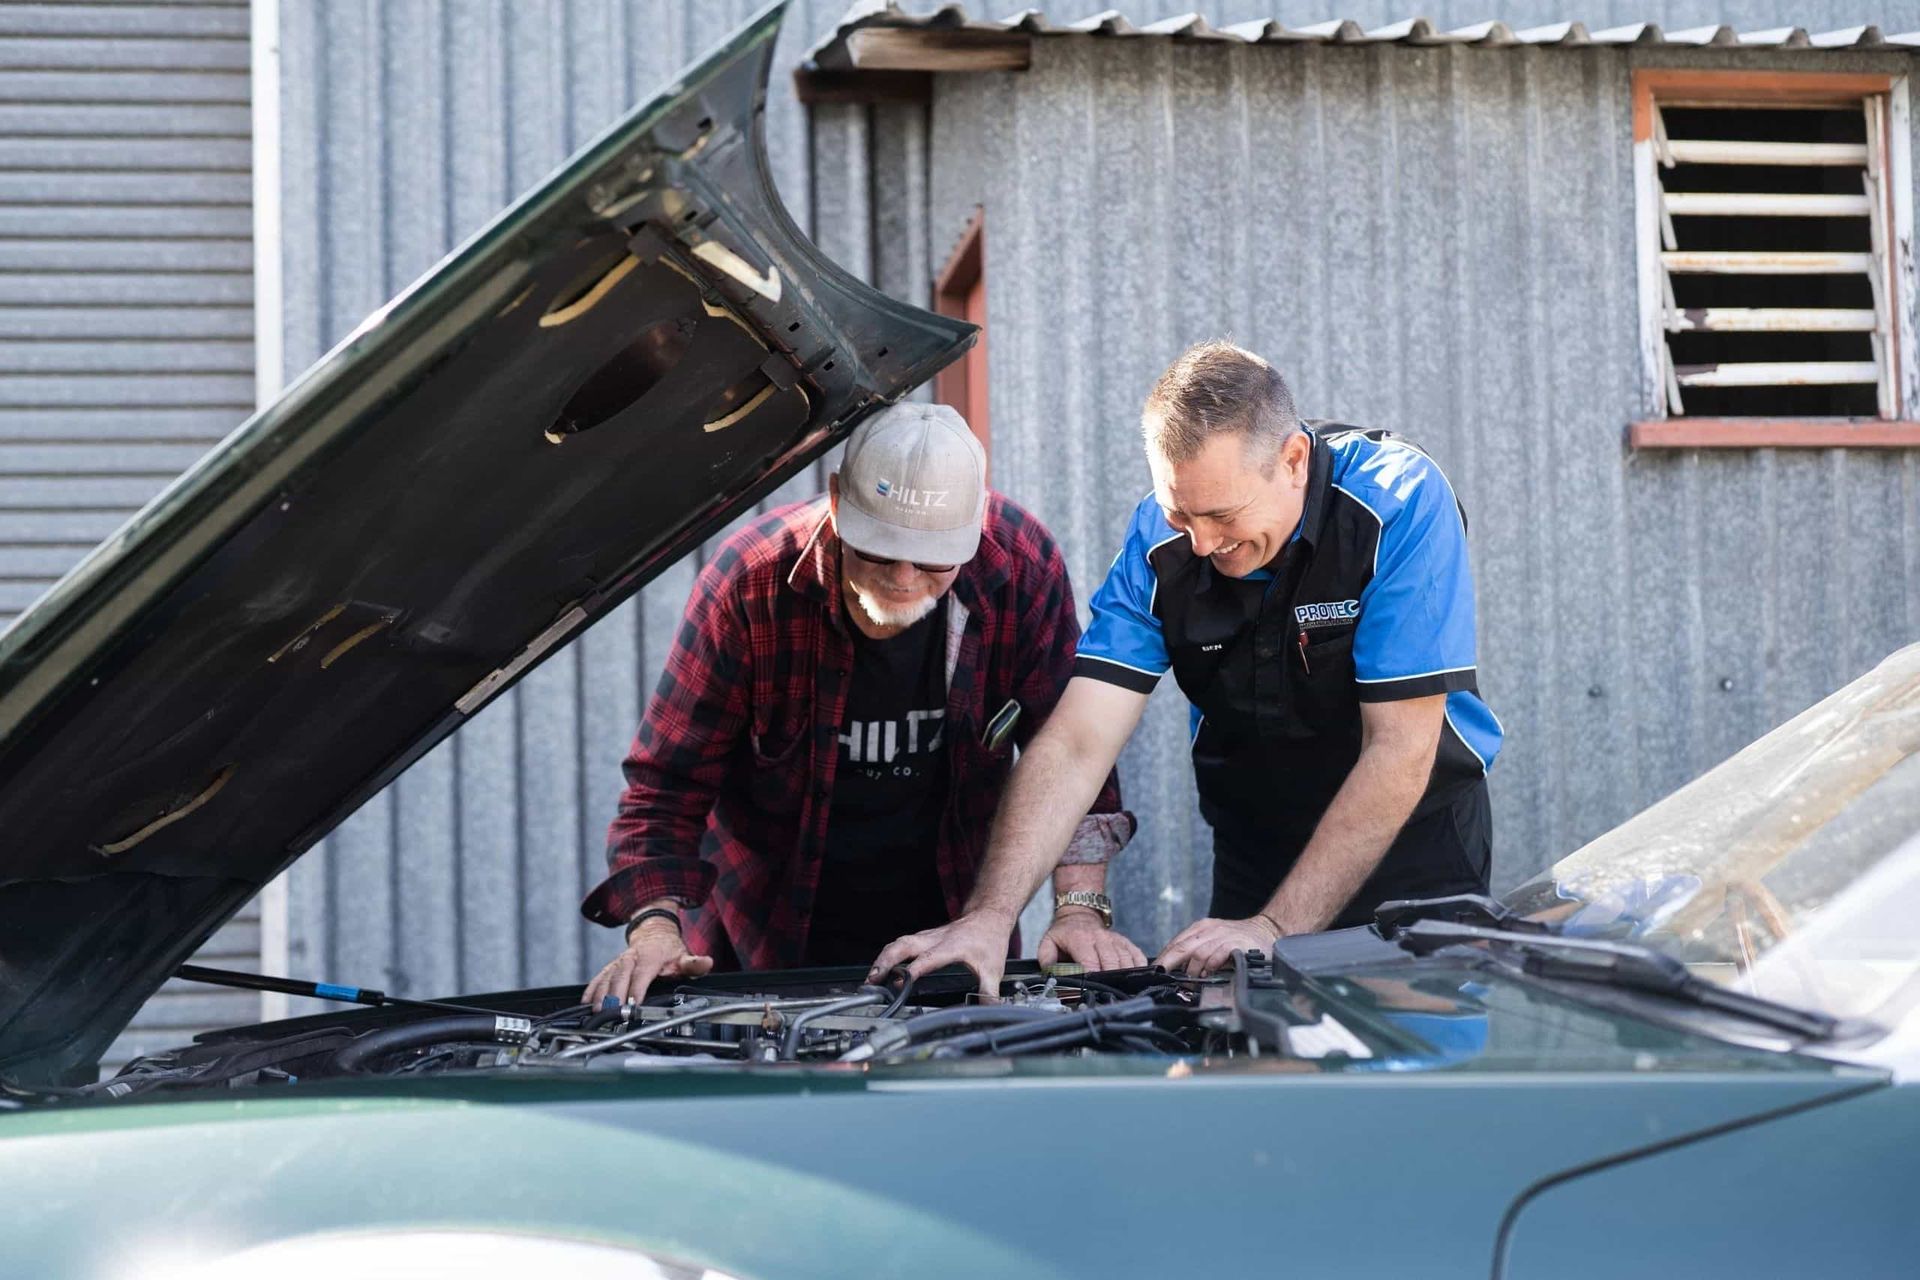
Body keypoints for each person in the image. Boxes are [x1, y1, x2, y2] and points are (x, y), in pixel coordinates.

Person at [870, 341, 1501, 989]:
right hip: (1258, 852)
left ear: (1292, 461)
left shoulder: (1398, 502)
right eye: (1180, 512)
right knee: (1252, 1067)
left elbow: (1400, 748)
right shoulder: (1160, 538)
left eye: (1222, 515)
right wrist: (990, 918)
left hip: (1415, 848)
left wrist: (1277, 929)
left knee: (1417, 1072)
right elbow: (1078, 741)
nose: (1200, 543)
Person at [581, 402, 1142, 1006]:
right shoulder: (750, 586)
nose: (902, 578)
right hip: (768, 946)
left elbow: (1075, 751)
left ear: (975, 526)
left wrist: (1080, 912)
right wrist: (656, 930)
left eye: (931, 561)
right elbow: (664, 791)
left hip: (956, 933)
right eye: (877, 551)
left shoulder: (1020, 565)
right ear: (837, 501)